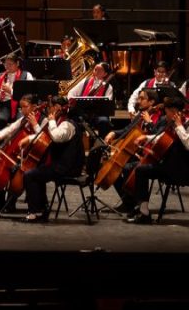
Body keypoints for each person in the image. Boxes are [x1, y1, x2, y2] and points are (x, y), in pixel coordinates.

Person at [126, 96, 189, 224]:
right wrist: (146, 138)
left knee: (142, 169)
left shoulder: (185, 124)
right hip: (170, 167)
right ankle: (143, 212)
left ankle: (141, 211)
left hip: (184, 169)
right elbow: (162, 138)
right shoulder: (172, 124)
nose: (166, 116)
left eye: (167, 113)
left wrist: (179, 126)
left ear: (175, 112)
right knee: (141, 170)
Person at [20, 96, 84, 223]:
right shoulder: (60, 121)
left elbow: (56, 137)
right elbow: (46, 140)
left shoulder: (67, 124)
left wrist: (52, 121)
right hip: (60, 165)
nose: (48, 110)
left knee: (30, 175)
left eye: (50, 107)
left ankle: (34, 212)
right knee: (37, 172)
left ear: (57, 108)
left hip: (66, 168)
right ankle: (41, 209)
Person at [104, 88, 163, 215]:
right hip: (137, 152)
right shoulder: (140, 115)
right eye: (139, 98)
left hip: (150, 156)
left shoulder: (160, 117)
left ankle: (136, 204)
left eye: (142, 98)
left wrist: (149, 122)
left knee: (126, 167)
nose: (139, 101)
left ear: (152, 102)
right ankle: (128, 203)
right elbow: (127, 130)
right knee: (113, 166)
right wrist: (113, 132)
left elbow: (157, 137)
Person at [0, 95, 42, 213]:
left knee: (14, 171)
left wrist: (34, 125)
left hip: (32, 158)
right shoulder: (23, 119)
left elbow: (42, 137)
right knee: (1, 166)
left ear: (34, 107)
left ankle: (10, 202)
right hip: (18, 155)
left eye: (25, 107)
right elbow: (11, 128)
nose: (22, 110)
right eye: (20, 108)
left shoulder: (42, 119)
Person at [67, 62, 114, 137]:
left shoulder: (109, 87)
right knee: (72, 119)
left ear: (105, 74)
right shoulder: (85, 81)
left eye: (99, 70)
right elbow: (71, 93)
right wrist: (72, 101)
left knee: (104, 121)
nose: (95, 71)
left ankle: (102, 145)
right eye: (95, 69)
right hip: (83, 113)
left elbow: (107, 103)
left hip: (98, 115)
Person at [0, 54, 34, 132]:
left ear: (17, 63)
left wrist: (11, 91)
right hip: (4, 105)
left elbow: (30, 95)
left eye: (10, 64)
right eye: (6, 64)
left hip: (21, 106)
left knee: (21, 122)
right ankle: (1, 142)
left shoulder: (26, 75)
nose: (7, 67)